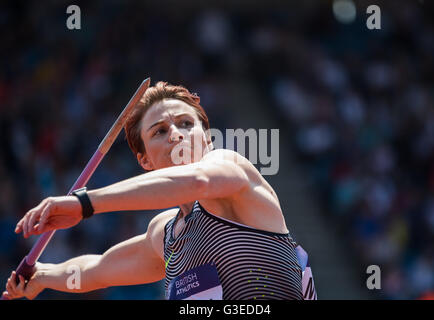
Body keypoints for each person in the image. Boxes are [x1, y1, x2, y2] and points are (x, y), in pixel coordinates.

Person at [3, 81, 316, 300]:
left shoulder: (231, 169)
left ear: (207, 138)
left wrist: (84, 203)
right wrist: (44, 277)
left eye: (186, 124)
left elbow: (197, 182)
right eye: (160, 131)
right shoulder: (164, 234)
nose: (176, 136)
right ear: (144, 160)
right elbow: (98, 270)